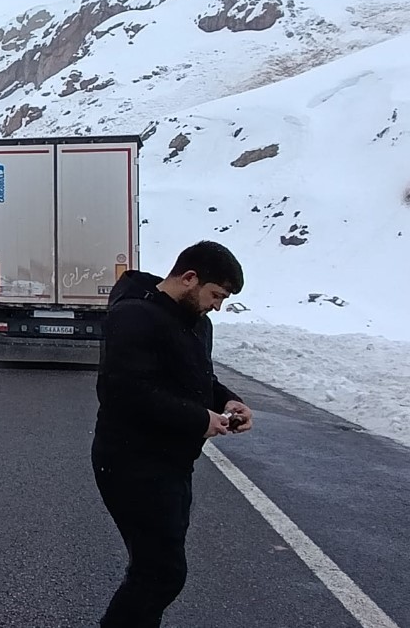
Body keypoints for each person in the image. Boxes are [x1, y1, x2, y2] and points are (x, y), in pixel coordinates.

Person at [91, 240, 254, 628]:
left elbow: (200, 379)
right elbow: (123, 391)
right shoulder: (133, 316)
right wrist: (200, 420)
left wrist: (229, 402)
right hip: (130, 462)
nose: (218, 305)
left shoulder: (199, 323)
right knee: (162, 572)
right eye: (216, 295)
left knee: (157, 567)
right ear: (190, 278)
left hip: (172, 463)